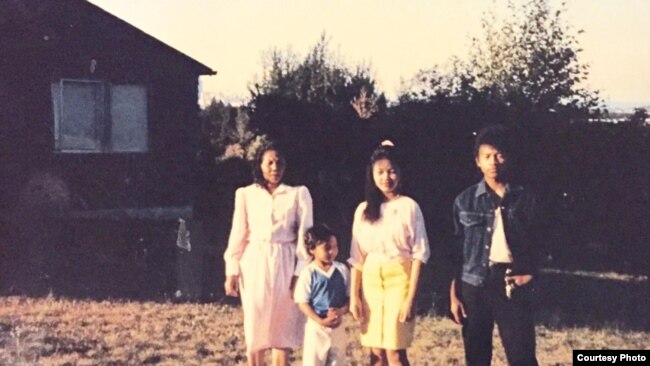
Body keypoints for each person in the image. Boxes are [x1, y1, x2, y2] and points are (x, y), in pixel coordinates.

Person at [449, 124, 539, 366]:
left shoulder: (525, 198)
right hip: (474, 285)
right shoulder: (464, 200)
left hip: (511, 283)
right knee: (477, 357)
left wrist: (530, 274)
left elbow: (542, 242)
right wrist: (454, 294)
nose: (493, 162)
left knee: (522, 356)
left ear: (508, 158)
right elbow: (456, 251)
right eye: (486, 156)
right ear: (477, 161)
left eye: (499, 155)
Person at [224, 143, 313, 366]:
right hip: (255, 262)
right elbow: (238, 234)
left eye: (279, 162)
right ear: (260, 165)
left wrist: (299, 272)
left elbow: (305, 236)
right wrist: (232, 271)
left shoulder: (298, 194)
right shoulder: (245, 194)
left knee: (282, 328)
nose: (275, 167)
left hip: (285, 261)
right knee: (255, 326)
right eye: (270, 162)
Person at [348, 141, 430, 366]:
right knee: (376, 352)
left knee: (395, 351)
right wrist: (354, 295)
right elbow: (357, 257)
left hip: (399, 280)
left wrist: (410, 299)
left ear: (400, 173)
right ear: (372, 174)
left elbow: (419, 255)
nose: (386, 177)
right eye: (380, 172)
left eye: (392, 171)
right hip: (372, 282)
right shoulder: (363, 210)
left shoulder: (409, 206)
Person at [294, 224, 349, 366]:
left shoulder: (342, 270)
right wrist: (320, 320)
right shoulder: (308, 273)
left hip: (338, 326)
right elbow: (302, 302)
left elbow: (349, 298)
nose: (332, 251)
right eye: (327, 248)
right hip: (316, 328)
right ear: (312, 249)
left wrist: (340, 311)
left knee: (337, 361)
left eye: (335, 247)